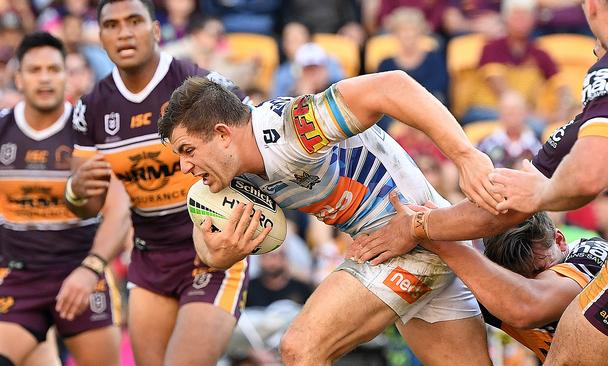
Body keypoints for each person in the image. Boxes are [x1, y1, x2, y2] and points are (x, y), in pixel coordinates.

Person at [352, 1, 608, 364]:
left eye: (544, 270)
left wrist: (540, 195)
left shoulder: (590, 256)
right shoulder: (488, 281)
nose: (595, 56)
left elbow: (526, 302)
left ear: (591, 6)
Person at [158, 70, 501, 365]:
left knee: (300, 347)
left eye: (188, 151)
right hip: (410, 246)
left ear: (221, 134)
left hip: (419, 235)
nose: (184, 167)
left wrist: (465, 155)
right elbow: (206, 247)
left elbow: (391, 85)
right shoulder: (228, 171)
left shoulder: (291, 128)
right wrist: (219, 253)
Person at [65, 0, 249, 365]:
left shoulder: (200, 85)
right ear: (100, 37)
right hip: (150, 258)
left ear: (155, 29)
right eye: (112, 25)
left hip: (212, 251)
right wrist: (75, 190)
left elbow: (255, 147)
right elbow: (86, 205)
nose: (124, 32)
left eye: (134, 21)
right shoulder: (91, 109)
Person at [0, 32, 127, 366]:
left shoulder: (91, 131)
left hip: (81, 273)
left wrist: (90, 269)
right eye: (34, 69)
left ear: (66, 76)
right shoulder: (1, 130)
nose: (44, 78)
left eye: (53, 69)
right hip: (17, 276)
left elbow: (118, 211)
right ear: (18, 78)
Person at [413, 208, 608, 362]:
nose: (529, 285)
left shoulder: (596, 257)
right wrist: (425, 227)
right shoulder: (496, 290)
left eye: (540, 271)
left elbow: (529, 304)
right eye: (516, 279)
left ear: (559, 241)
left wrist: (444, 245)